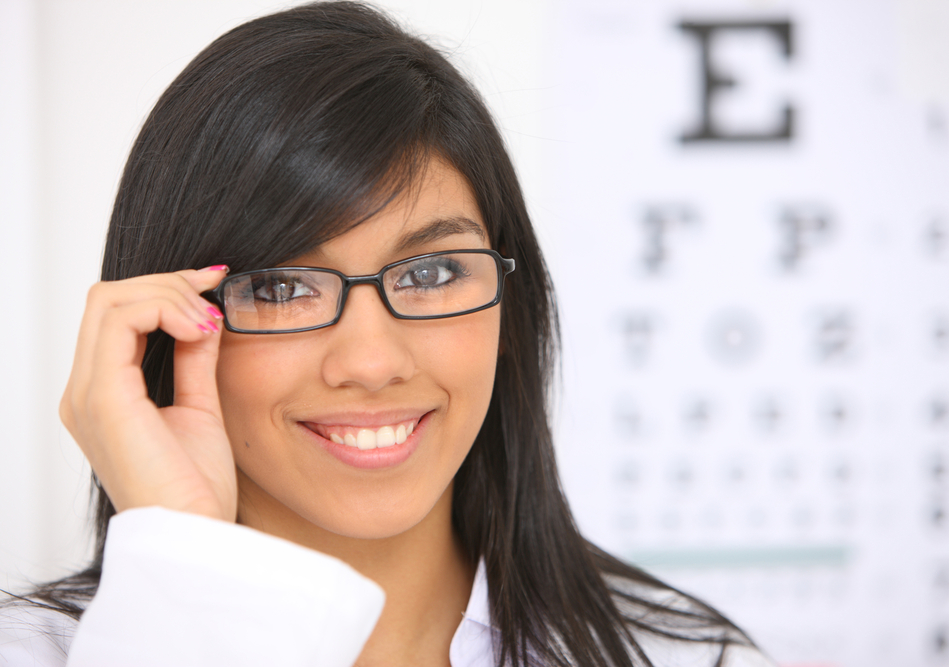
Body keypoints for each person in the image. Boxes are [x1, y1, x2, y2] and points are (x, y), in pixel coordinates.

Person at [1, 2, 772, 665]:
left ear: (511, 302)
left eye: (432, 274)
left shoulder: (690, 655)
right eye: (280, 287)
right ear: (167, 327)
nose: (371, 362)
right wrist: (186, 560)